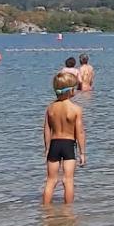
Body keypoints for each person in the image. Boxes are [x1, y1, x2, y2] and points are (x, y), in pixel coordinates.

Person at [43, 71, 86, 205]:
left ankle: (45, 209)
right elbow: (80, 132)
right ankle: (68, 210)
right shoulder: (75, 109)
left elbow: (46, 129)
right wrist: (82, 152)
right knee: (68, 180)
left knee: (51, 180)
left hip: (54, 145)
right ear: (70, 91)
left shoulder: (50, 108)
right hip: (68, 145)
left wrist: (47, 148)